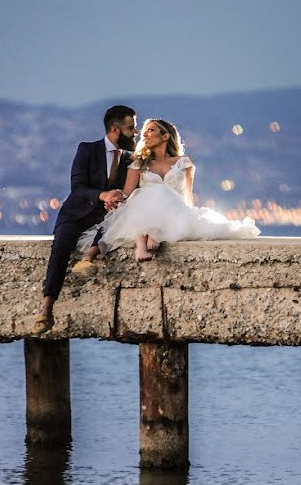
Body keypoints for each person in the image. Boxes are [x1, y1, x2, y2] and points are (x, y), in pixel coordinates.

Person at [77, 118, 259, 261]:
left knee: (164, 192)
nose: (145, 135)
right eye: (144, 132)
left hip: (174, 211)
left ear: (165, 136)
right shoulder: (139, 163)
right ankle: (143, 243)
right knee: (152, 192)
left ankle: (155, 233)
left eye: (151, 130)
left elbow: (187, 194)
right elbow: (127, 193)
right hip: (142, 211)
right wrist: (114, 202)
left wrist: (191, 213)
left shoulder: (183, 162)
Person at [34, 105, 138, 334]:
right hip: (75, 214)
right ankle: (46, 307)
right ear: (115, 129)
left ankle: (90, 256)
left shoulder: (131, 160)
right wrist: (103, 196)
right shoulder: (87, 150)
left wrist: (115, 199)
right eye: (131, 128)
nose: (135, 133)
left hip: (106, 218)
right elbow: (77, 187)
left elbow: (129, 191)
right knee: (61, 246)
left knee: (115, 224)